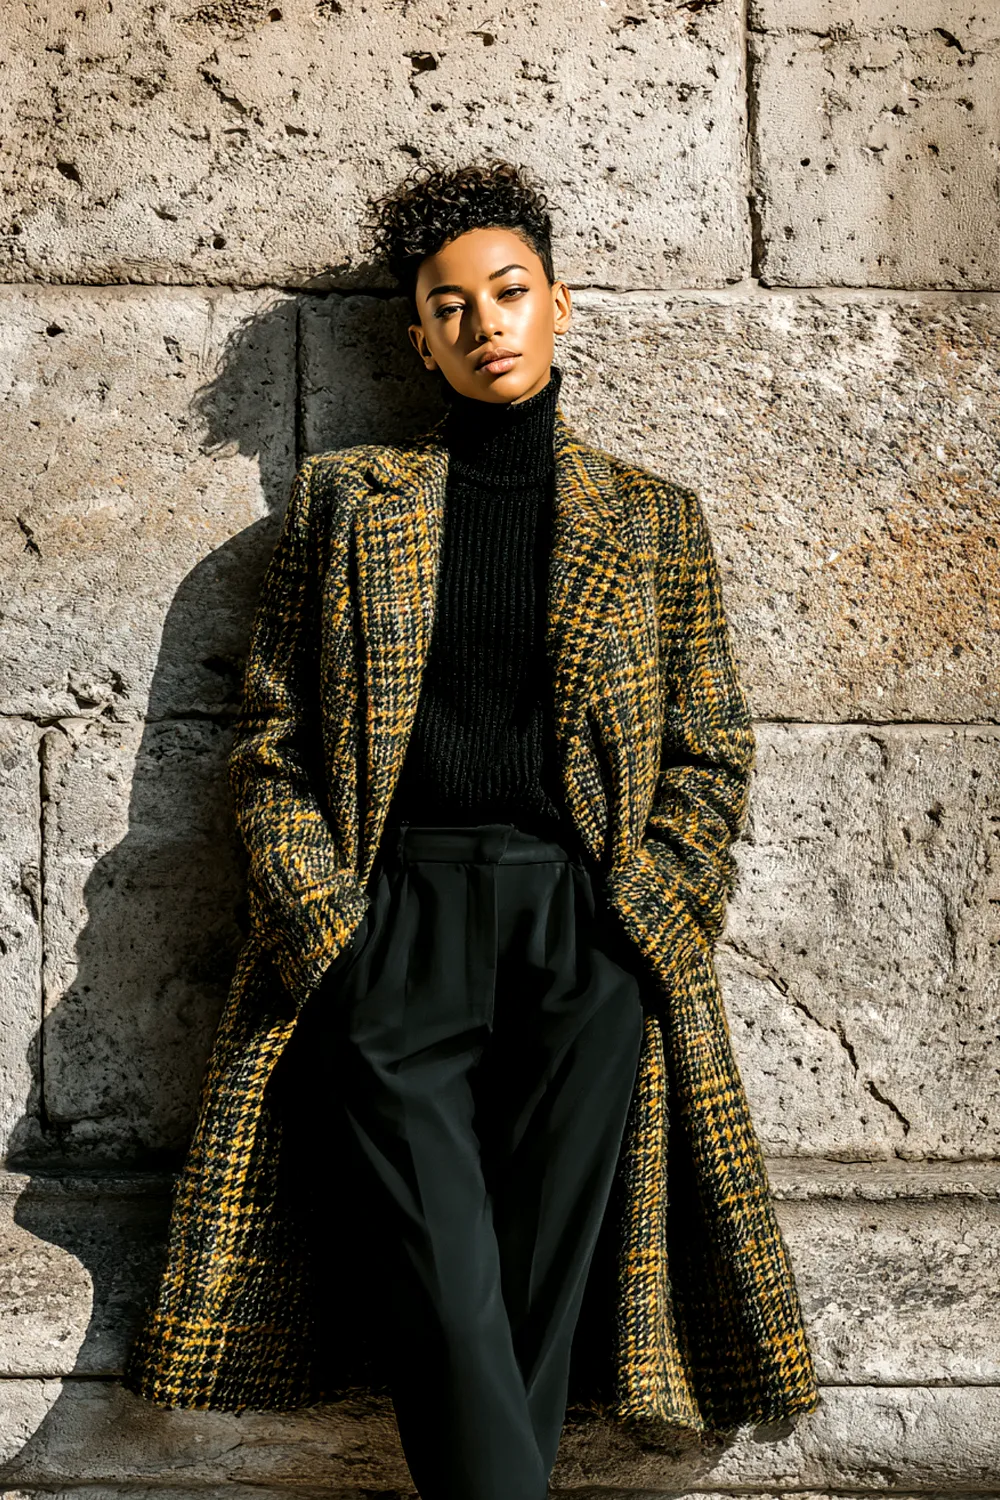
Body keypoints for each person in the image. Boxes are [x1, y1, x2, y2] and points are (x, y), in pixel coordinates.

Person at [122, 159, 819, 1497]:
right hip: (398, 928)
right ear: (417, 336)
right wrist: (330, 931)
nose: (486, 324)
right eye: (452, 307)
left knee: (539, 1304)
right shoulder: (345, 506)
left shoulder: (657, 521)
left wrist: (645, 915)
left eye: (509, 293)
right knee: (450, 1299)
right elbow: (271, 743)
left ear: (559, 304)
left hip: (588, 935)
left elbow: (712, 748)